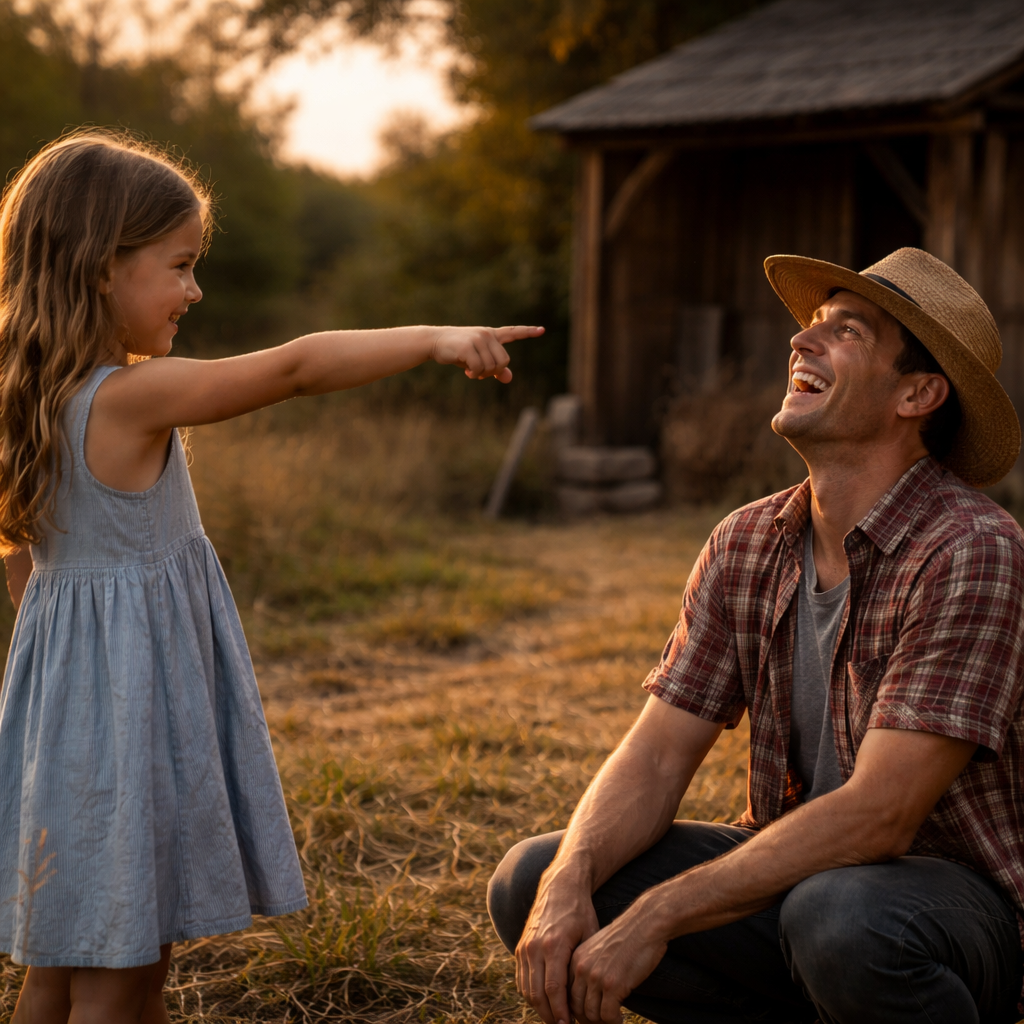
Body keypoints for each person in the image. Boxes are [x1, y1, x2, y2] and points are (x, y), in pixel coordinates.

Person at [0, 130, 543, 1024]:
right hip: (131, 726)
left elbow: (25, 575)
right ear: (102, 268)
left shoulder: (30, 403)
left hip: (62, 727)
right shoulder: (134, 397)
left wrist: (69, 697)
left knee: (63, 966)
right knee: (118, 972)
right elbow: (294, 368)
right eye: (179, 266)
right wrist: (434, 338)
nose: (194, 290)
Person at [487, 247, 1024, 1024]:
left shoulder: (971, 548)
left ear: (918, 393)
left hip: (946, 907)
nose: (802, 342)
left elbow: (882, 814)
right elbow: (658, 752)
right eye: (810, 324)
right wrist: (569, 880)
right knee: (530, 880)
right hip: (801, 884)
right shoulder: (748, 541)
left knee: (840, 919)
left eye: (847, 331)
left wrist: (660, 913)